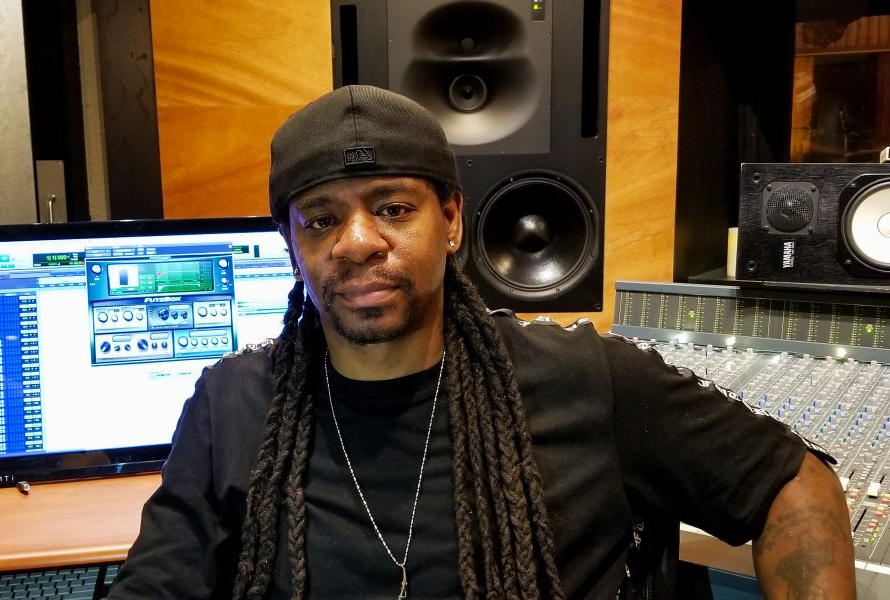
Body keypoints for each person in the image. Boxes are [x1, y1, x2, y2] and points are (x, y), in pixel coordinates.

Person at [107, 85, 855, 599]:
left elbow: (794, 483)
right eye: (322, 219)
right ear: (290, 244)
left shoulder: (591, 380)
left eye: (393, 208)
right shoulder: (233, 402)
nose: (358, 242)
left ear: (453, 220)